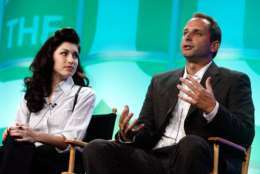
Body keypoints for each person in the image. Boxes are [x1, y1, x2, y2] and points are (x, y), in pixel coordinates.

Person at [82, 13, 255, 174]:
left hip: (200, 159)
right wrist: (129, 134)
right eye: (185, 32)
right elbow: (146, 130)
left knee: (190, 144)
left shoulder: (234, 80)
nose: (187, 37)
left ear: (214, 45)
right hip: (155, 158)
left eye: (197, 33)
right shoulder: (160, 81)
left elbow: (245, 135)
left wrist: (213, 108)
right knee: (96, 148)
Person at [0, 28, 96, 174]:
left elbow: (70, 140)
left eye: (75, 56)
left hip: (61, 160)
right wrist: (13, 130)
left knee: (19, 149)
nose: (71, 60)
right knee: (15, 141)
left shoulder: (84, 94)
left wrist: (34, 136)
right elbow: (21, 130)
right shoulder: (31, 95)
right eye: (64, 53)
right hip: (28, 157)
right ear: (50, 57)